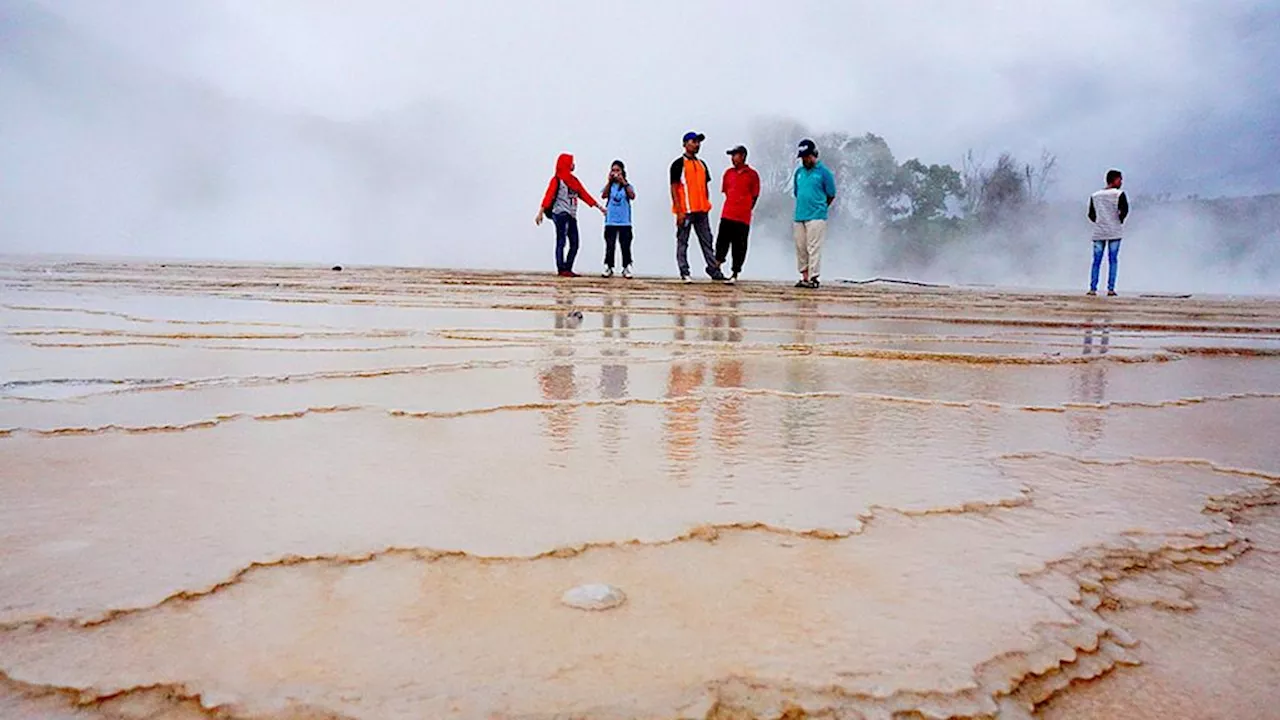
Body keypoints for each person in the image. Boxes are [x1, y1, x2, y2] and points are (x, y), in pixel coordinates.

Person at [536, 153, 605, 277]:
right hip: (561, 214)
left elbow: (584, 194)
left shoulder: (574, 181)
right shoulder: (557, 180)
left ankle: (568, 268)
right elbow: (549, 195)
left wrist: (599, 208)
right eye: (571, 162)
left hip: (572, 215)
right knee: (561, 241)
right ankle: (561, 269)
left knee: (575, 242)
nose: (574, 165)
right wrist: (540, 212)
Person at [670, 131, 726, 283]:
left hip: (701, 210)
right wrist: (679, 210)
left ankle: (713, 269)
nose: (696, 144)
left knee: (707, 240)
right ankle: (684, 271)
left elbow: (705, 185)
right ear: (685, 144)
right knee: (683, 241)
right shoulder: (678, 164)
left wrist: (707, 203)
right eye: (693, 141)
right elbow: (674, 188)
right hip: (686, 210)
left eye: (698, 142)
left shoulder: (702, 164)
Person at [792, 139, 837, 288]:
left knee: (813, 247)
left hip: (816, 216)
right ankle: (804, 276)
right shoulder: (799, 172)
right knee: (801, 247)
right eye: (802, 157)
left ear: (814, 155)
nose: (805, 160)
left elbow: (831, 194)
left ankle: (813, 277)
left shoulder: (824, 172)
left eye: (807, 156)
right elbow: (797, 192)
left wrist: (821, 207)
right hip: (800, 215)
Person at [716, 145, 760, 285]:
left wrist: (746, 208)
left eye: (734, 155)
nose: (732, 159)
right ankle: (716, 267)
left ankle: (735, 272)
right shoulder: (728, 173)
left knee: (739, 246)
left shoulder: (752, 175)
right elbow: (726, 191)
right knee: (722, 242)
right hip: (728, 213)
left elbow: (755, 195)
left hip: (742, 217)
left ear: (742, 156)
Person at [1087, 169, 1129, 296]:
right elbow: (1125, 210)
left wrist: (1099, 221)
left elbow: (1091, 214)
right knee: (1113, 260)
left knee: (1096, 261)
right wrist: (1119, 220)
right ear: (1115, 180)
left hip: (1099, 231)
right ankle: (1110, 288)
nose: (1121, 182)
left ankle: (1093, 288)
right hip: (1115, 231)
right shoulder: (1119, 194)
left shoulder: (1095, 195)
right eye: (1120, 179)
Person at [600, 160, 636, 279]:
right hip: (611, 220)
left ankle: (626, 267)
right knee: (610, 245)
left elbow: (632, 196)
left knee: (625, 245)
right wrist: (609, 182)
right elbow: (604, 195)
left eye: (617, 171)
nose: (615, 173)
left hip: (624, 221)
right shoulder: (610, 186)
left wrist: (623, 182)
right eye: (613, 170)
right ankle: (609, 267)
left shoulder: (628, 186)